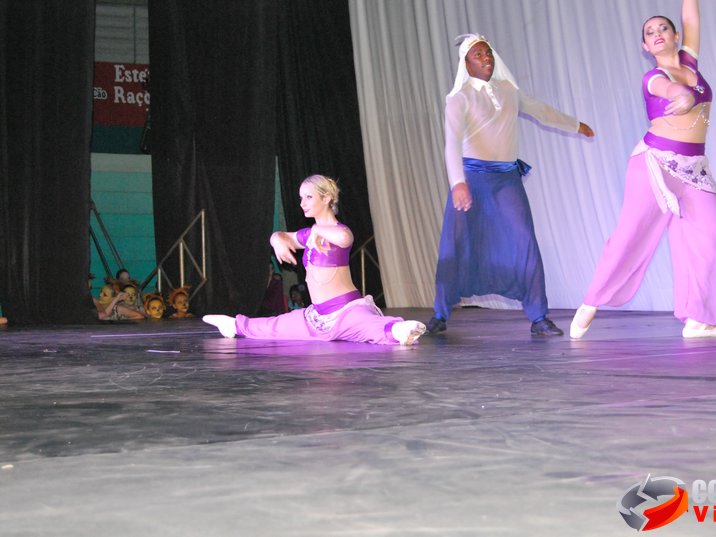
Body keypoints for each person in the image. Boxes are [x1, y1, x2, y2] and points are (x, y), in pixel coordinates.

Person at [570, 0, 716, 340]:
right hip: (655, 164)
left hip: (695, 169)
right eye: (650, 32)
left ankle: (698, 319)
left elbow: (691, 15)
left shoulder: (690, 62)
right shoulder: (654, 77)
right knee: (631, 234)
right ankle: (591, 302)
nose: (657, 34)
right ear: (645, 46)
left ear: (676, 36)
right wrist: (681, 94)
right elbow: (667, 89)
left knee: (711, 238)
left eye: (663, 29)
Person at [426, 34, 595, 337]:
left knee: (524, 240)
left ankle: (539, 316)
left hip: (506, 180)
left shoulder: (508, 91)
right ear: (466, 63)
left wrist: (575, 124)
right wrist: (458, 183)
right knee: (457, 242)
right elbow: (451, 143)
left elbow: (542, 111)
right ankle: (440, 313)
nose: (486, 58)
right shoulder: (459, 98)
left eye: (488, 53)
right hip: (472, 179)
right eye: (478, 55)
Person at [204, 174, 427, 345]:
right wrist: (276, 239)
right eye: (301, 198)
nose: (302, 203)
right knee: (276, 326)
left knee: (367, 327)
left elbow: (345, 238)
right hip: (316, 317)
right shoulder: (310, 234)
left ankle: (399, 331)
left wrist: (317, 231)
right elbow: (283, 236)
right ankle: (234, 325)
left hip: (346, 310)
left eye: (309, 197)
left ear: (327, 197)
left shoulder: (337, 231)